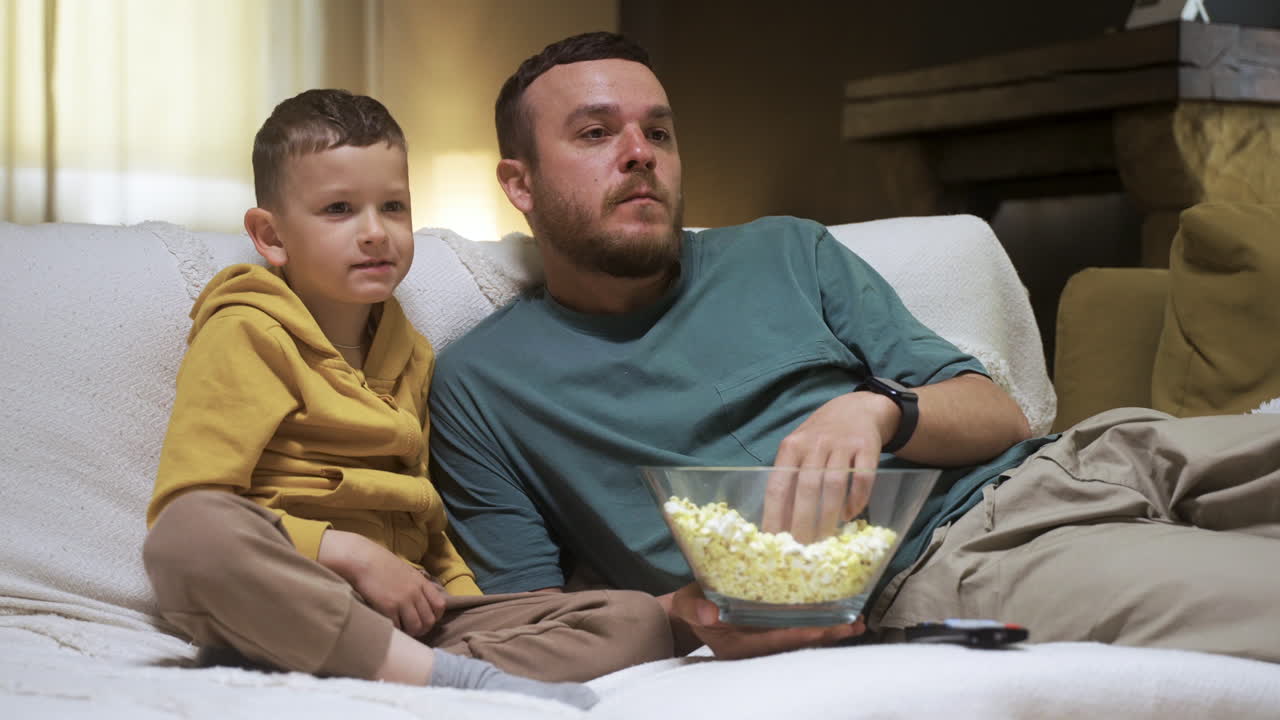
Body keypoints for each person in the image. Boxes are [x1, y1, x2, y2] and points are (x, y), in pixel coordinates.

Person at [428, 32, 1280, 663]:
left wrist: (878, 410)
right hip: (957, 559)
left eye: (659, 129)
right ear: (519, 183)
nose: (640, 154)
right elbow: (530, 617)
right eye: (594, 134)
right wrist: (681, 614)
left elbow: (1003, 415)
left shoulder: (787, 250)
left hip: (1091, 456)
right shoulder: (484, 384)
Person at [142, 88, 672, 710]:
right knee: (188, 533)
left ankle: (385, 665)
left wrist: (460, 596)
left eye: (393, 207)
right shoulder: (247, 331)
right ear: (271, 236)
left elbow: (423, 511)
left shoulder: (411, 351)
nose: (375, 233)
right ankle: (428, 673)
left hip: (403, 614)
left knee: (637, 618)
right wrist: (350, 554)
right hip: (292, 587)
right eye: (339, 209)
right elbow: (192, 502)